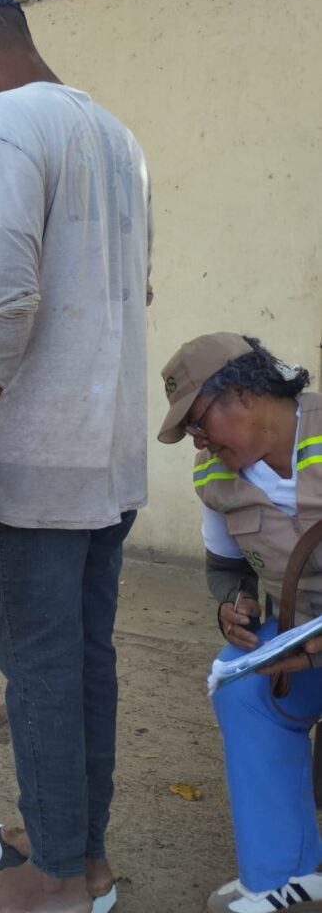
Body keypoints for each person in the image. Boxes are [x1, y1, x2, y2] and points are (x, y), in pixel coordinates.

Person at [0, 0, 154, 913]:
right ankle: (80, 854)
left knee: (41, 668)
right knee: (85, 660)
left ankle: (54, 880)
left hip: (41, 458)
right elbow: (132, 294)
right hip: (110, 457)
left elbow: (9, 300)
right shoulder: (120, 139)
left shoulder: (13, 121)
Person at [157, 332, 322, 913]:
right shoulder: (213, 477)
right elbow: (225, 568)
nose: (198, 441)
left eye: (199, 422)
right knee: (242, 686)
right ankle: (285, 876)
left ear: (245, 393)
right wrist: (234, 604)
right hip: (304, 638)